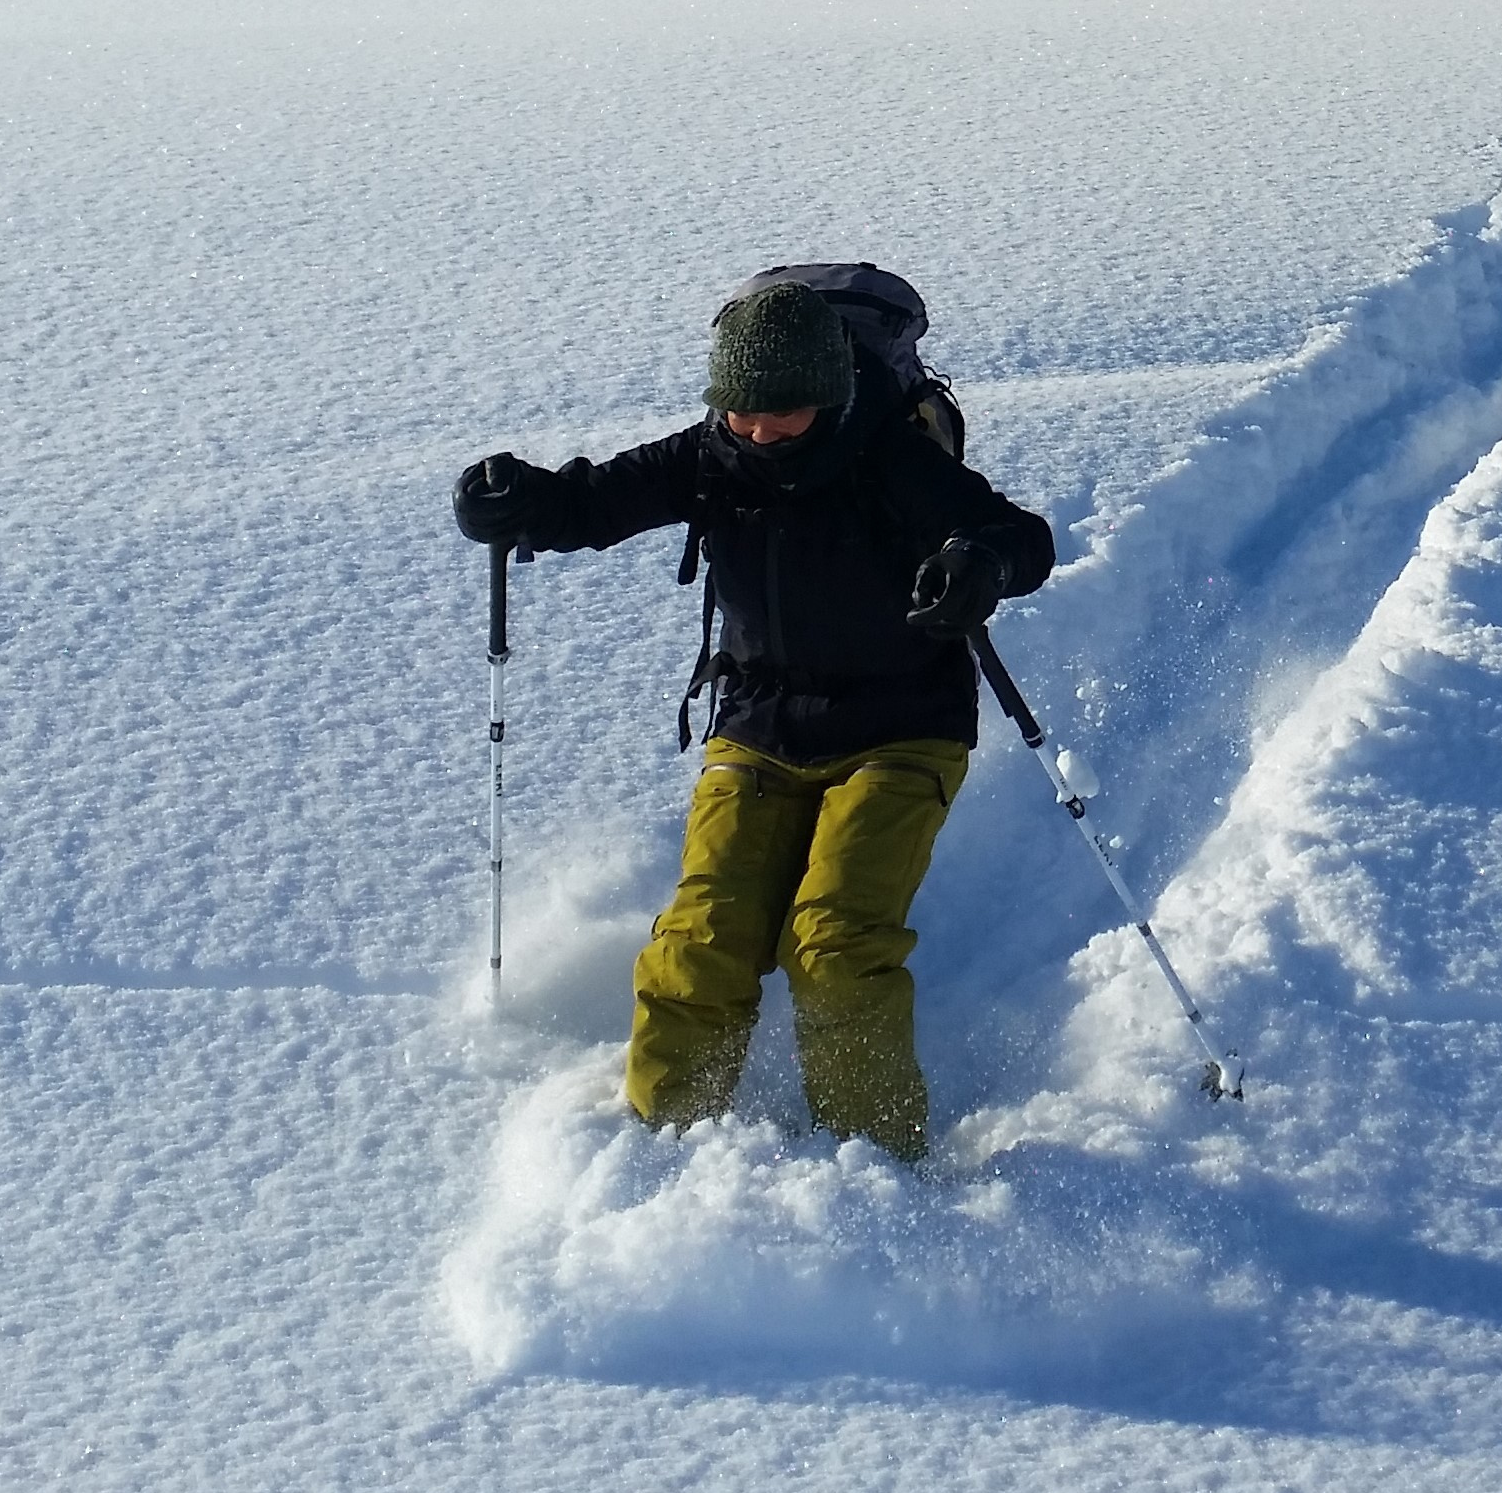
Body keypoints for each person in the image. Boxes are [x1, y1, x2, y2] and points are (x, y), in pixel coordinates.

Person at [451, 278, 1054, 1160]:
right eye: (743, 413)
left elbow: (1019, 538)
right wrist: (515, 500)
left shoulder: (890, 455)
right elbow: (593, 501)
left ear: (831, 397)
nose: (762, 432)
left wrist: (977, 562)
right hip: (760, 726)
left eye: (786, 413)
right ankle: (660, 1153)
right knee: (701, 942)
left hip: (899, 726)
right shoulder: (710, 455)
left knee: (833, 945)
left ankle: (876, 1165)